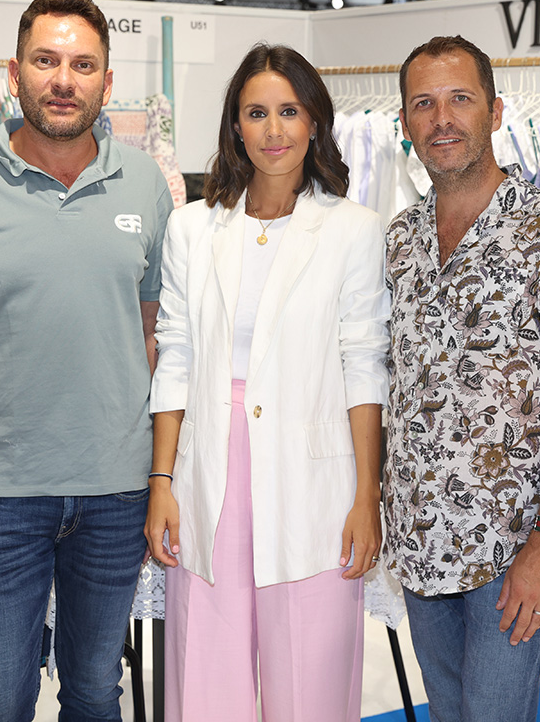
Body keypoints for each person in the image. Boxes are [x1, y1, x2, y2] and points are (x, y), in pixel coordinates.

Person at [0, 0, 173, 721]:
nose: (63, 80)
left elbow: (154, 337)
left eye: (83, 65)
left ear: (107, 83)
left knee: (95, 693)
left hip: (116, 493)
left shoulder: (146, 185)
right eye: (46, 61)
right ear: (14, 73)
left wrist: (160, 475)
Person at [145, 43, 389, 722]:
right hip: (207, 472)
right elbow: (175, 356)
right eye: (257, 113)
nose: (274, 130)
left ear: (314, 122)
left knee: (312, 688)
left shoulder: (354, 230)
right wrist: (162, 482)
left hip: (316, 484)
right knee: (203, 681)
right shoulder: (191, 228)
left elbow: (364, 366)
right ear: (235, 126)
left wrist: (367, 493)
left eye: (289, 111)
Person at [383, 34, 540, 721]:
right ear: (404, 122)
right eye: (423, 103)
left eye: (460, 99)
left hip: (509, 548)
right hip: (420, 540)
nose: (442, 119)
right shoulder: (399, 240)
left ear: (496, 111)